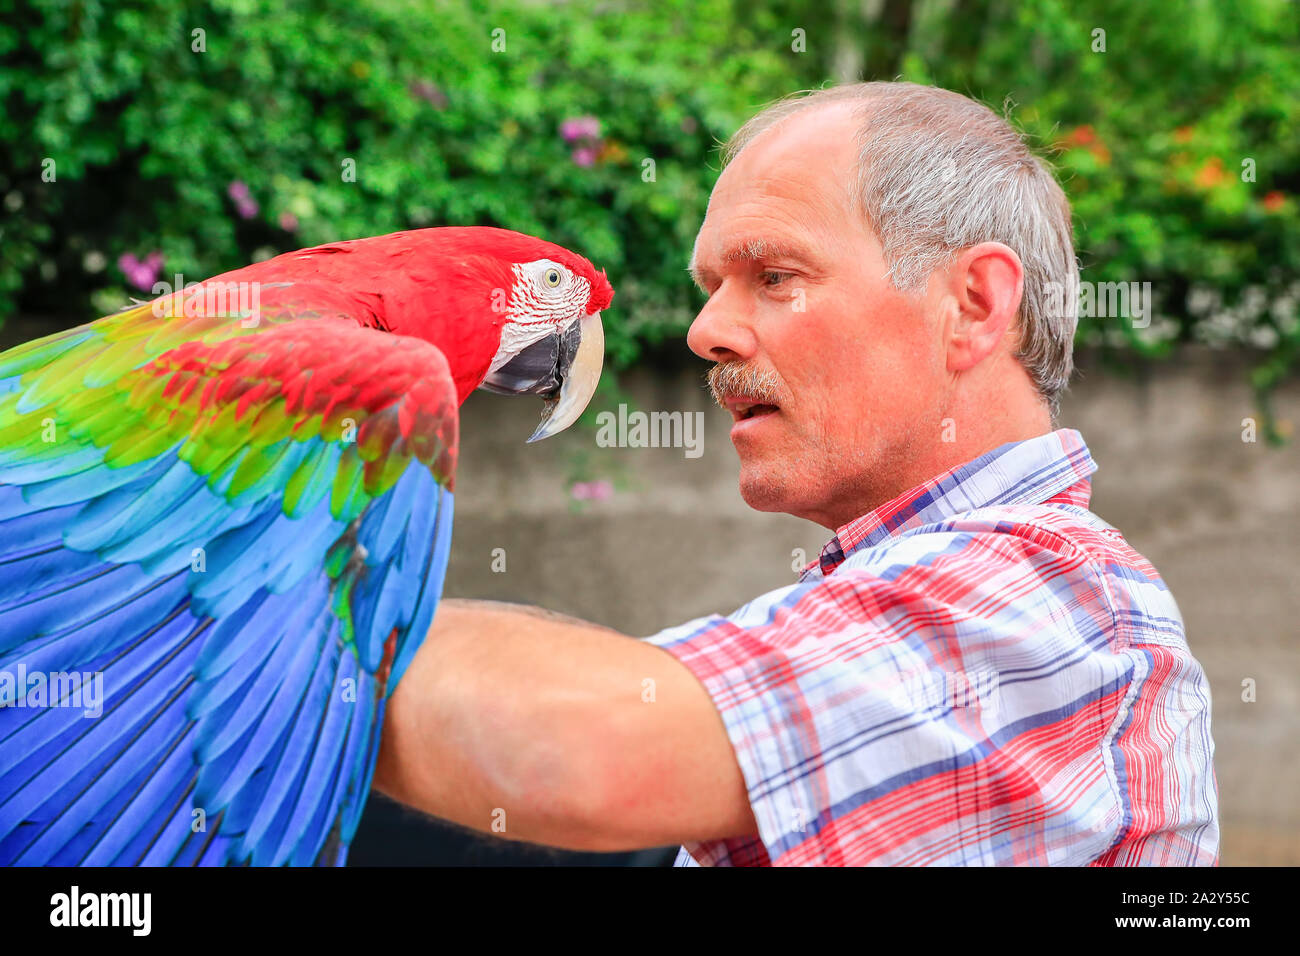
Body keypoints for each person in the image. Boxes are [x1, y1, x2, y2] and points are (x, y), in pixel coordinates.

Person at [373, 81, 1219, 866]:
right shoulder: (897, 592)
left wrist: (287, 612)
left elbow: (576, 753)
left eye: (775, 276)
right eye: (711, 288)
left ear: (972, 307)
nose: (706, 331)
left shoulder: (1040, 596)